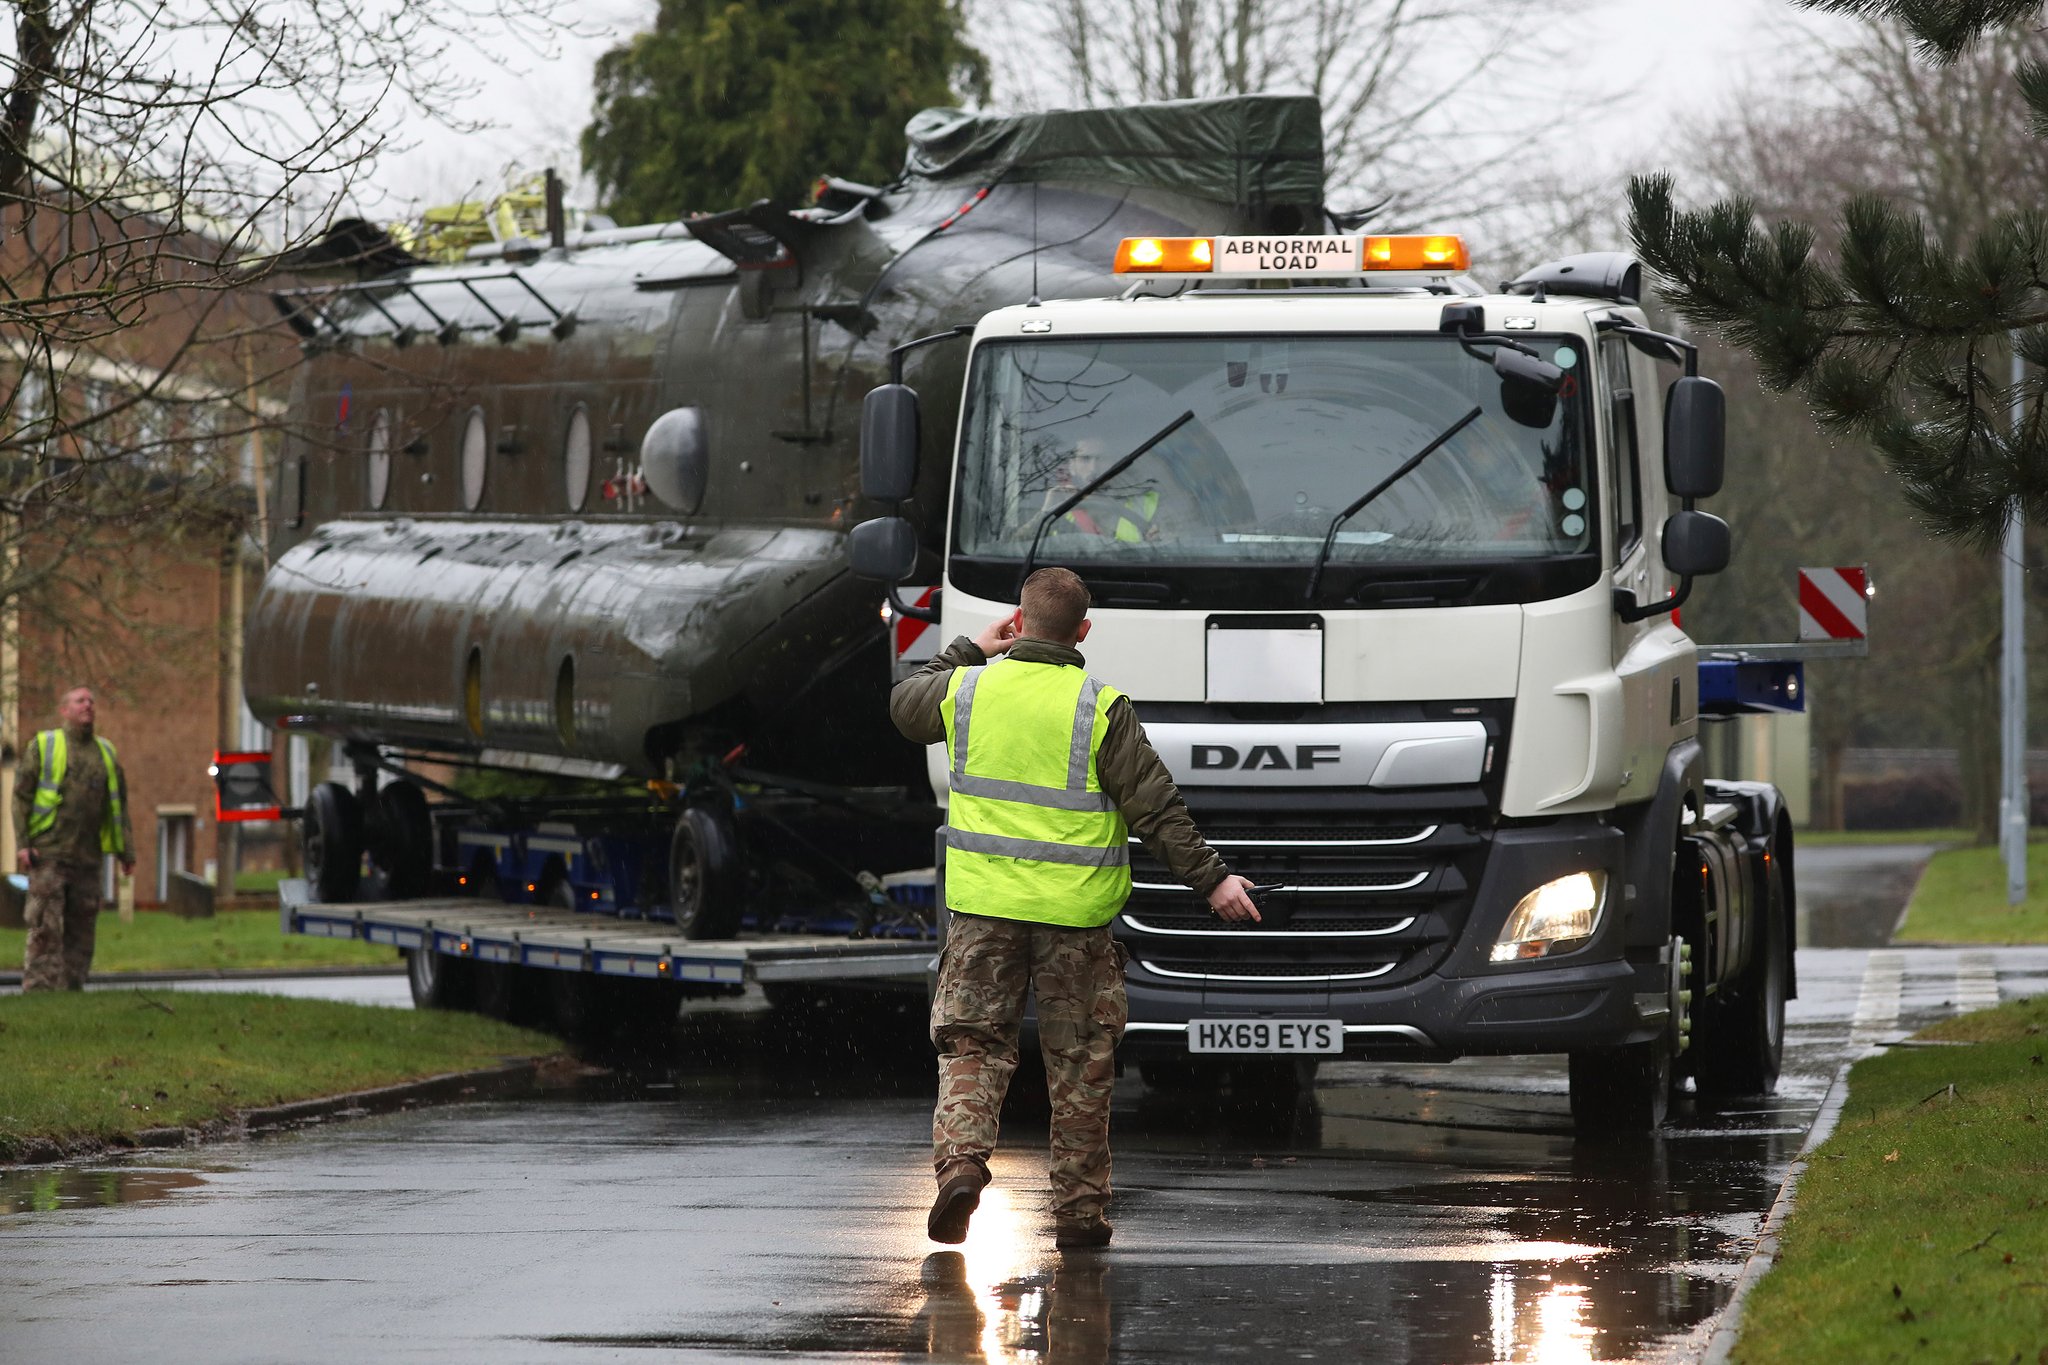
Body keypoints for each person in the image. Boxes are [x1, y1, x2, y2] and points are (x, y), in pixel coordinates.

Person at [890, 566, 1259, 1249]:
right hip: (1075, 923)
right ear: (1083, 631)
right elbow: (1157, 809)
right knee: (1081, 1065)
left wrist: (972, 647)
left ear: (1019, 623)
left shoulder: (967, 689)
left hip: (983, 914)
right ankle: (1079, 1215)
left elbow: (904, 704)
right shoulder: (1100, 706)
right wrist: (1213, 881)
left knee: (974, 1045)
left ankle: (963, 1165)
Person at [13, 685, 134, 991]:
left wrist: (125, 852)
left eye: (91, 701)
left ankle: (72, 989)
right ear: (64, 710)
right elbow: (21, 797)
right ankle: (39, 990)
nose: (88, 705)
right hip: (49, 854)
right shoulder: (45, 745)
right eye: (80, 701)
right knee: (45, 928)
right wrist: (23, 844)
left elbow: (118, 804)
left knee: (82, 929)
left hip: (87, 857)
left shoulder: (105, 752)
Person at [1041, 437, 1161, 544]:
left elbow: (1171, 544)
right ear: (1072, 466)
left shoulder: (1149, 501)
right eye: (1085, 459)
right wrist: (1046, 512)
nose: (1093, 468)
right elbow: (1031, 547)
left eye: (1101, 459)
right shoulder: (1057, 504)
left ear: (1115, 464)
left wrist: (1156, 540)